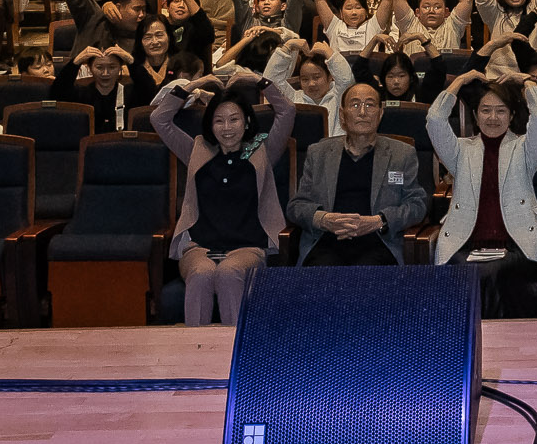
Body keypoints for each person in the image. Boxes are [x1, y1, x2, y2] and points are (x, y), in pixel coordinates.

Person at [152, 67, 297, 326]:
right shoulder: (197, 149)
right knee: (202, 274)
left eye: (234, 119)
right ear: (210, 124)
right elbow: (159, 119)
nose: (227, 128)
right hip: (199, 247)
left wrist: (258, 80)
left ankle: (232, 354)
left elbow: (287, 111)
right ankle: (195, 355)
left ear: (247, 121)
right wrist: (192, 83)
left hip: (247, 248)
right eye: (219, 120)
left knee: (229, 274)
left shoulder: (262, 149)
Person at [428, 73, 537, 317]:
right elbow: (435, 120)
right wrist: (460, 82)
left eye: (501, 111)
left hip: (515, 245)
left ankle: (491, 342)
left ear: (512, 116)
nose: (493, 118)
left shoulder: (524, 149)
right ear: (476, 116)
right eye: (486, 110)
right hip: (465, 243)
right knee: (469, 271)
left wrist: (527, 82)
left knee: (494, 272)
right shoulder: (460, 151)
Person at [287, 81, 429, 266]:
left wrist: (379, 221)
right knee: (321, 276)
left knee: (369, 277)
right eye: (355, 105)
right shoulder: (318, 152)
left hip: (377, 241)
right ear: (342, 115)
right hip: (327, 241)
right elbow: (296, 206)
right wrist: (323, 219)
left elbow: (417, 205)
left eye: (370, 105)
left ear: (380, 114)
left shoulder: (402, 154)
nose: (362, 112)